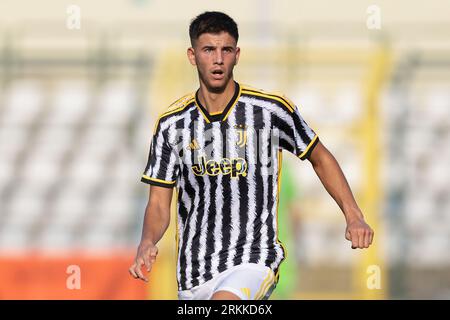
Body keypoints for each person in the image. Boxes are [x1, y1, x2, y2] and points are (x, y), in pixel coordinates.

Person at [129, 11, 374, 300]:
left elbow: (319, 157)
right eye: (209, 50)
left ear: (237, 54)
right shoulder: (172, 124)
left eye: (226, 50)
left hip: (253, 260)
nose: (218, 59)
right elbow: (158, 203)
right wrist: (147, 240)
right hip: (193, 272)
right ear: (192, 55)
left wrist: (354, 215)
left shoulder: (270, 111)